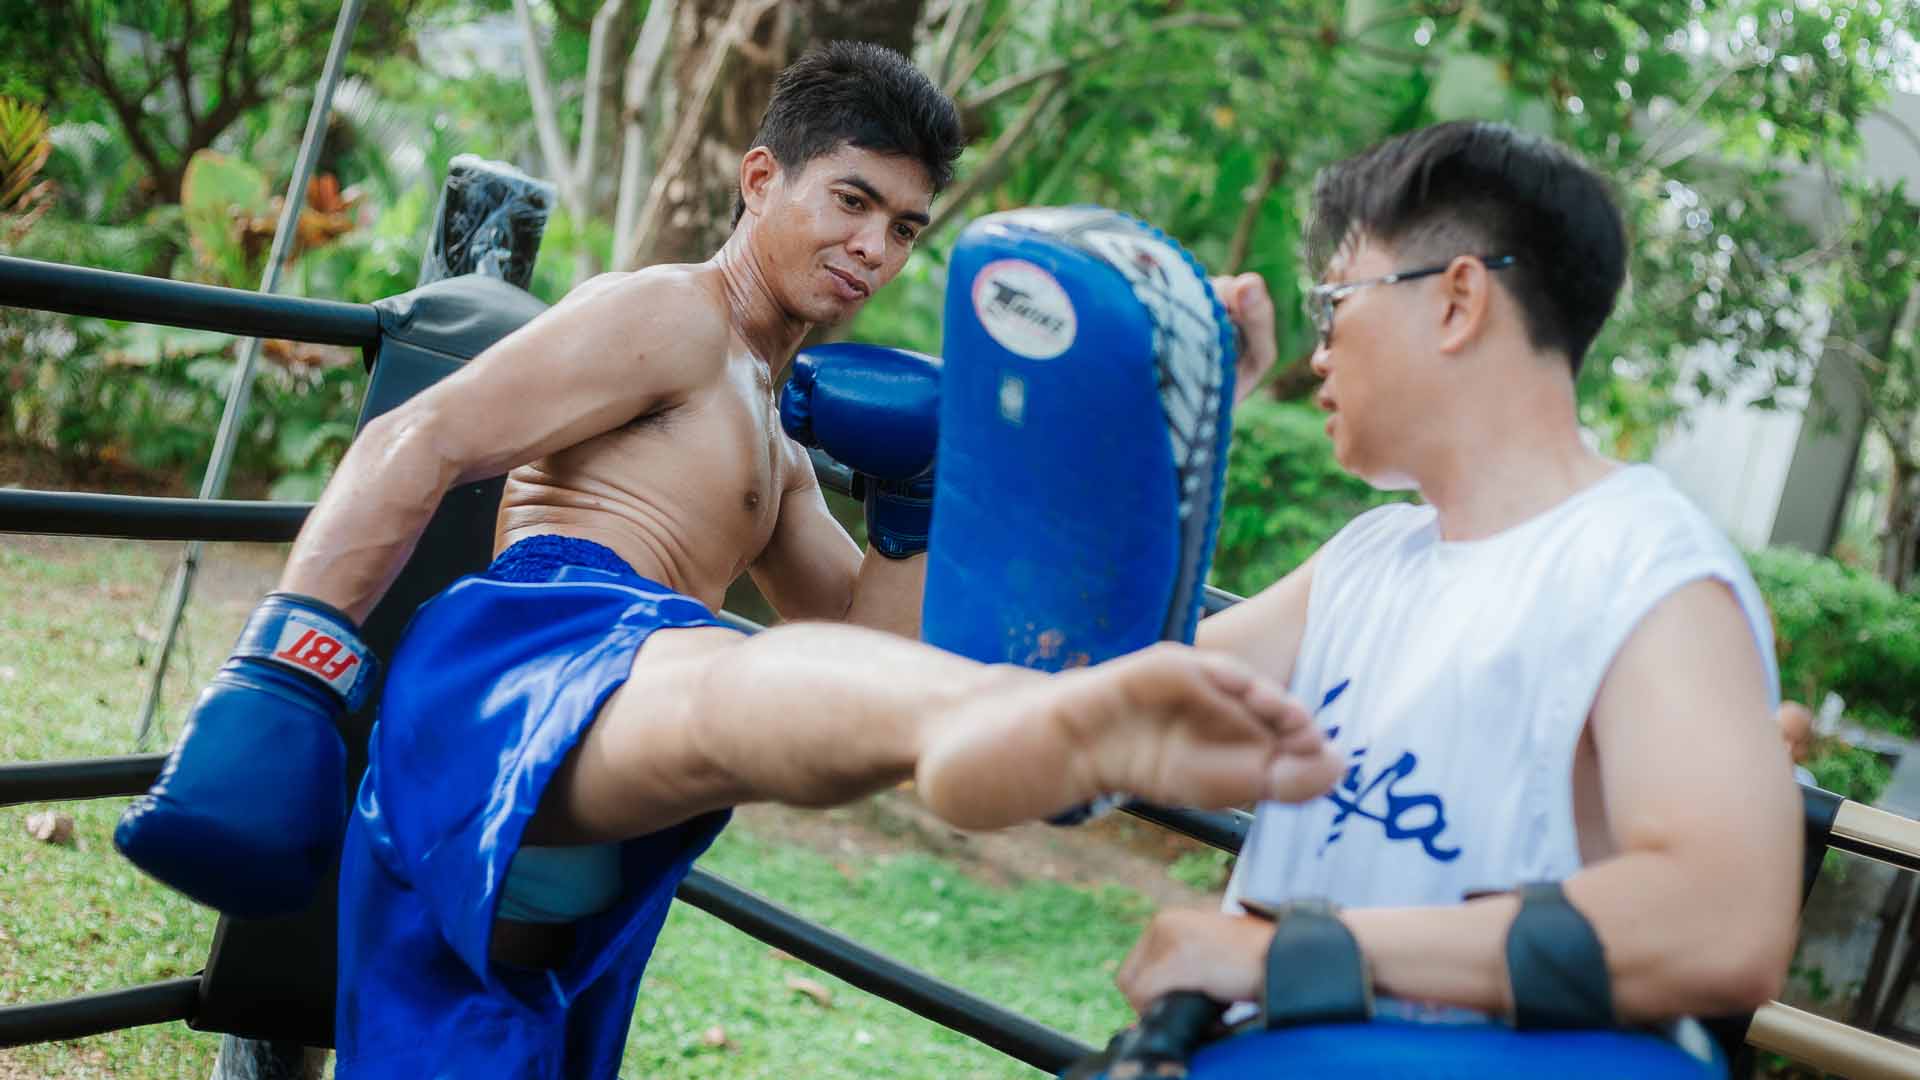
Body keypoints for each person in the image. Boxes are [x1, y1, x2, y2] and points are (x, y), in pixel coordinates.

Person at [113, 41, 1342, 1078]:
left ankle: (1033, 706)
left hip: (634, 759)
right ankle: (1050, 715)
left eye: (905, 227)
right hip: (533, 654)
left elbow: (858, 657)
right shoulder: (667, 315)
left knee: (488, 1039)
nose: (875, 246)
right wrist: (293, 658)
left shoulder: (783, 437)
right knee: (729, 673)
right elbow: (420, 435)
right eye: (850, 200)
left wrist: (919, 498)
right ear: (763, 179)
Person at [1109, 121, 1802, 1070]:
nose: (1319, 354)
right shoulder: (1370, 556)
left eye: (1334, 304)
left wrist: (1294, 956)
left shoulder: (1648, 570)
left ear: (1457, 301)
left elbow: (1722, 920)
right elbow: (1102, 701)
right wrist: (1172, 424)